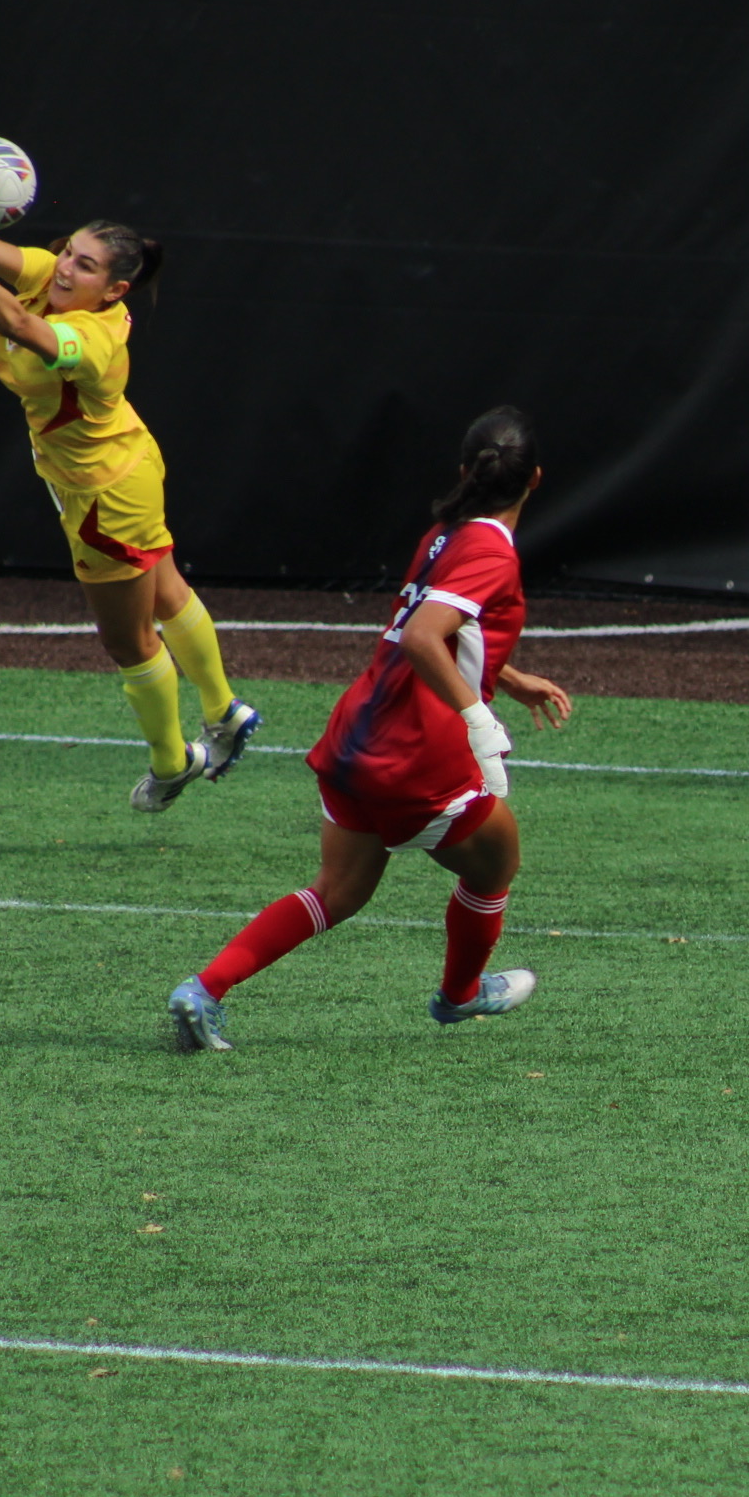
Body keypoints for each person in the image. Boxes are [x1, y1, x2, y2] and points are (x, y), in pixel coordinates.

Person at [166, 407, 570, 1048]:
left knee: (340, 889)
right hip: (417, 751)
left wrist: (509, 678)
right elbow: (422, 636)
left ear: (466, 471)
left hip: (358, 732)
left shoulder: (445, 532)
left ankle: (204, 989)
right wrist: (479, 720)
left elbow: (439, 627)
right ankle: (460, 996)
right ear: (537, 480)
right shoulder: (494, 553)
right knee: (497, 862)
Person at [0, 164, 258, 810]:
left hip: (104, 497)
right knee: (166, 586)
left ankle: (173, 760)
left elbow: (21, 326)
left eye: (86, 266)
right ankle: (224, 710)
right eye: (69, 252)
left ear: (115, 289)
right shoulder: (56, 278)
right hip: (129, 463)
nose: (66, 268)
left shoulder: (92, 336)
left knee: (127, 640)